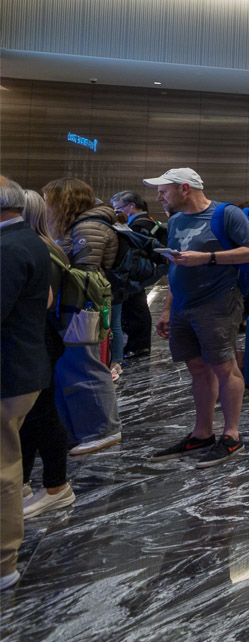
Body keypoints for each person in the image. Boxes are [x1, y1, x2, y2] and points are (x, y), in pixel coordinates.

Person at [144, 168, 249, 464]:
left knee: (225, 368)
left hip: (218, 303)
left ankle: (232, 435)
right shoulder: (174, 221)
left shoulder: (226, 214)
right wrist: (168, 309)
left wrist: (208, 258)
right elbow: (177, 265)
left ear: (184, 188)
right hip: (184, 304)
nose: (158, 196)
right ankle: (202, 434)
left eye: (164, 190)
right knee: (198, 368)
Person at [0, 177, 56, 590]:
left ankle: (3, 563)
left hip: (9, 372)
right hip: (22, 366)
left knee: (3, 468)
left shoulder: (9, 248)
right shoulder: (29, 239)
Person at [42, 179, 122, 452]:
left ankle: (103, 430)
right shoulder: (80, 225)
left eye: (48, 199)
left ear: (64, 200)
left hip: (83, 306)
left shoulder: (88, 226)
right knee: (70, 366)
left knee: (84, 365)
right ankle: (80, 431)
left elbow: (83, 271)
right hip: (77, 304)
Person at [16, 190, 73, 523]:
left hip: (38, 341)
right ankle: (23, 481)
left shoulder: (39, 251)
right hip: (39, 340)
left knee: (42, 413)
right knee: (33, 415)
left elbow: (43, 302)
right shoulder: (45, 247)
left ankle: (55, 486)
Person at [109, 190, 163, 361]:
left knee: (135, 309)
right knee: (137, 308)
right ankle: (139, 346)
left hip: (133, 274)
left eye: (118, 208)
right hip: (141, 273)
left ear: (131, 206)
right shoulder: (150, 222)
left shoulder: (138, 225)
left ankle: (138, 347)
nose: (116, 212)